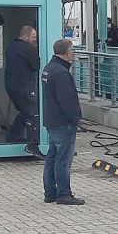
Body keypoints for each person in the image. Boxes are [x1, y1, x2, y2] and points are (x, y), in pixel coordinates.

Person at [41, 38, 84, 205]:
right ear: (67, 53)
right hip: (62, 122)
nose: (73, 53)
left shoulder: (48, 69)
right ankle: (64, 193)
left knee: (51, 157)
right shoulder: (61, 73)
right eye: (72, 50)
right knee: (63, 159)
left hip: (51, 120)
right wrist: (75, 120)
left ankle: (50, 192)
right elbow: (67, 100)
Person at [4, 25, 44, 159]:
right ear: (26, 36)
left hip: (10, 86)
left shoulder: (10, 46)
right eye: (33, 37)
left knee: (24, 112)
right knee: (33, 114)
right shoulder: (28, 48)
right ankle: (33, 144)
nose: (35, 40)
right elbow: (36, 66)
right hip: (24, 87)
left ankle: (12, 136)